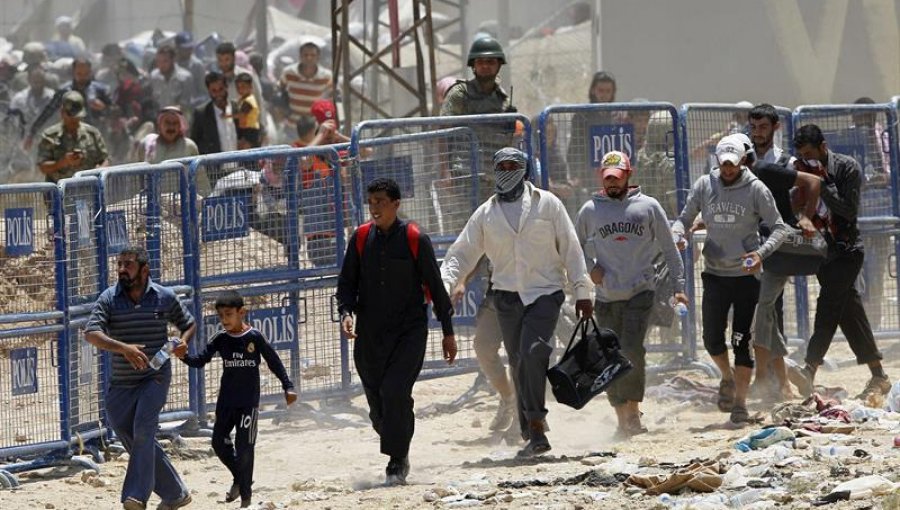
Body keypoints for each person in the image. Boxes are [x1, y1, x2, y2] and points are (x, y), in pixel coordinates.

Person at [441, 148, 593, 456]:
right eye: (501, 166)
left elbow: (571, 248)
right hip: (506, 299)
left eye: (513, 166)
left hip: (545, 293)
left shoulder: (547, 204)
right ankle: (530, 430)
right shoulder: (486, 214)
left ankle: (536, 425)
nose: (507, 171)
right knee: (519, 361)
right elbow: (461, 253)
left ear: (524, 171)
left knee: (532, 352)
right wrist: (444, 283)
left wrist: (582, 290)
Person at [336, 178, 457, 485]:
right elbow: (347, 283)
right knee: (380, 408)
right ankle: (397, 427)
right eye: (371, 202)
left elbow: (437, 288)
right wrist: (345, 313)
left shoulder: (415, 237)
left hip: (409, 332)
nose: (374, 208)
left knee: (394, 392)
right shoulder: (362, 238)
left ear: (396, 204)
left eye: (380, 201)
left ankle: (396, 461)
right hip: (370, 335)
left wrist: (448, 331)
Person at [672, 134, 788, 424]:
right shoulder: (704, 185)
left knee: (741, 340)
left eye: (732, 165)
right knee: (711, 336)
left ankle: (740, 403)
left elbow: (779, 228)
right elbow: (684, 218)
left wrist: (760, 254)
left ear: (743, 161)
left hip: (746, 277)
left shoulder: (756, 189)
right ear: (717, 161)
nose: (727, 170)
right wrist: (678, 234)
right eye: (723, 164)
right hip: (714, 274)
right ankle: (727, 376)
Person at [574, 151, 687, 439]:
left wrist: (680, 287)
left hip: (641, 291)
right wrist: (589, 270)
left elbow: (670, 250)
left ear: (629, 175)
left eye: (618, 177)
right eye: (608, 178)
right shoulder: (589, 210)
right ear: (602, 177)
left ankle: (634, 413)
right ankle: (621, 416)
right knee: (609, 356)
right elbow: (573, 250)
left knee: (633, 349)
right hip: (607, 296)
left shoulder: (648, 207)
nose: (612, 183)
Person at [83, 245, 196, 510]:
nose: (122, 269)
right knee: (128, 433)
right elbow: (91, 333)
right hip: (121, 383)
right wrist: (123, 348)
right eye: (119, 264)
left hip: (154, 378)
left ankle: (135, 497)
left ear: (145, 270)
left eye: (128, 264)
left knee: (144, 430)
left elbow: (188, 324)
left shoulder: (163, 296)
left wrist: (182, 342)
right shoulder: (109, 299)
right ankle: (175, 494)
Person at [788, 124, 892, 400]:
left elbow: (848, 209)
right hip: (822, 252)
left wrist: (820, 185)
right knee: (849, 313)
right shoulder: (802, 170)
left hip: (846, 251)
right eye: (803, 155)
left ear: (823, 147)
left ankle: (809, 367)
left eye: (811, 153)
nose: (807, 159)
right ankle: (878, 374)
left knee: (828, 306)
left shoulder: (847, 168)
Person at [724, 131, 821, 402]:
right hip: (755, 253)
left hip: (778, 251)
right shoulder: (735, 183)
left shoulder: (765, 170)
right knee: (764, 314)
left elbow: (813, 182)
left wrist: (807, 218)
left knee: (762, 311)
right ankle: (785, 377)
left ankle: (771, 379)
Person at [176, 291, 297, 508]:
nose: (224, 320)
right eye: (221, 315)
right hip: (226, 403)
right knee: (218, 443)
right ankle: (241, 479)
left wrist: (288, 386)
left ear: (242, 313)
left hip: (248, 404)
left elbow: (274, 362)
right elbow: (199, 361)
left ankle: (246, 500)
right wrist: (183, 356)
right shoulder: (221, 339)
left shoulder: (254, 337)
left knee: (244, 448)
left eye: (229, 314)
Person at [26, 58, 112, 149]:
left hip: (98, 140)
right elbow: (47, 112)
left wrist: (104, 108)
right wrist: (32, 133)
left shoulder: (101, 90)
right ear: (73, 73)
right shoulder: (65, 91)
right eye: (79, 74)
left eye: (86, 74)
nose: (82, 77)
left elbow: (116, 114)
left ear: (90, 72)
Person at [36, 90, 108, 183]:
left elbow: (105, 159)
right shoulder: (50, 136)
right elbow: (43, 167)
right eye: (71, 116)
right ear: (62, 112)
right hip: (60, 193)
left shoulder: (92, 133)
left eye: (77, 116)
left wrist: (99, 170)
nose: (74, 119)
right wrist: (63, 162)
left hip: (89, 191)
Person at [190, 71, 238, 187]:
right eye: (214, 91)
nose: (218, 94)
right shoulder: (201, 114)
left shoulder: (238, 108)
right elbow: (195, 143)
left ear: (226, 87)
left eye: (221, 89)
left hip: (240, 171)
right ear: (209, 91)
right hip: (215, 175)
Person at [278, 39, 333, 124]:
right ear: (300, 56)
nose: (309, 58)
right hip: (292, 124)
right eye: (305, 55)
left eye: (312, 55)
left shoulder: (327, 76)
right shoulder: (288, 72)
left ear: (318, 57)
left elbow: (331, 99)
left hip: (314, 127)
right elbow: (280, 90)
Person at [149, 46, 196, 122]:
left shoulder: (185, 77)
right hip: (161, 121)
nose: (161, 65)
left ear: (173, 60)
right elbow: (154, 102)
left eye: (165, 61)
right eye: (158, 61)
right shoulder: (154, 76)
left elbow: (185, 103)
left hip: (180, 120)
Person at [173, 32, 207, 106]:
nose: (189, 50)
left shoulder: (197, 66)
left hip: (190, 108)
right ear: (177, 48)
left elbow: (203, 92)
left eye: (190, 47)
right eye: (185, 48)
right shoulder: (171, 63)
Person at [228, 72, 261, 147]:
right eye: (238, 87)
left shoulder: (249, 100)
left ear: (250, 87)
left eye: (243, 87)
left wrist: (226, 116)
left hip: (249, 131)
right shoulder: (242, 99)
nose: (240, 90)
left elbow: (241, 115)